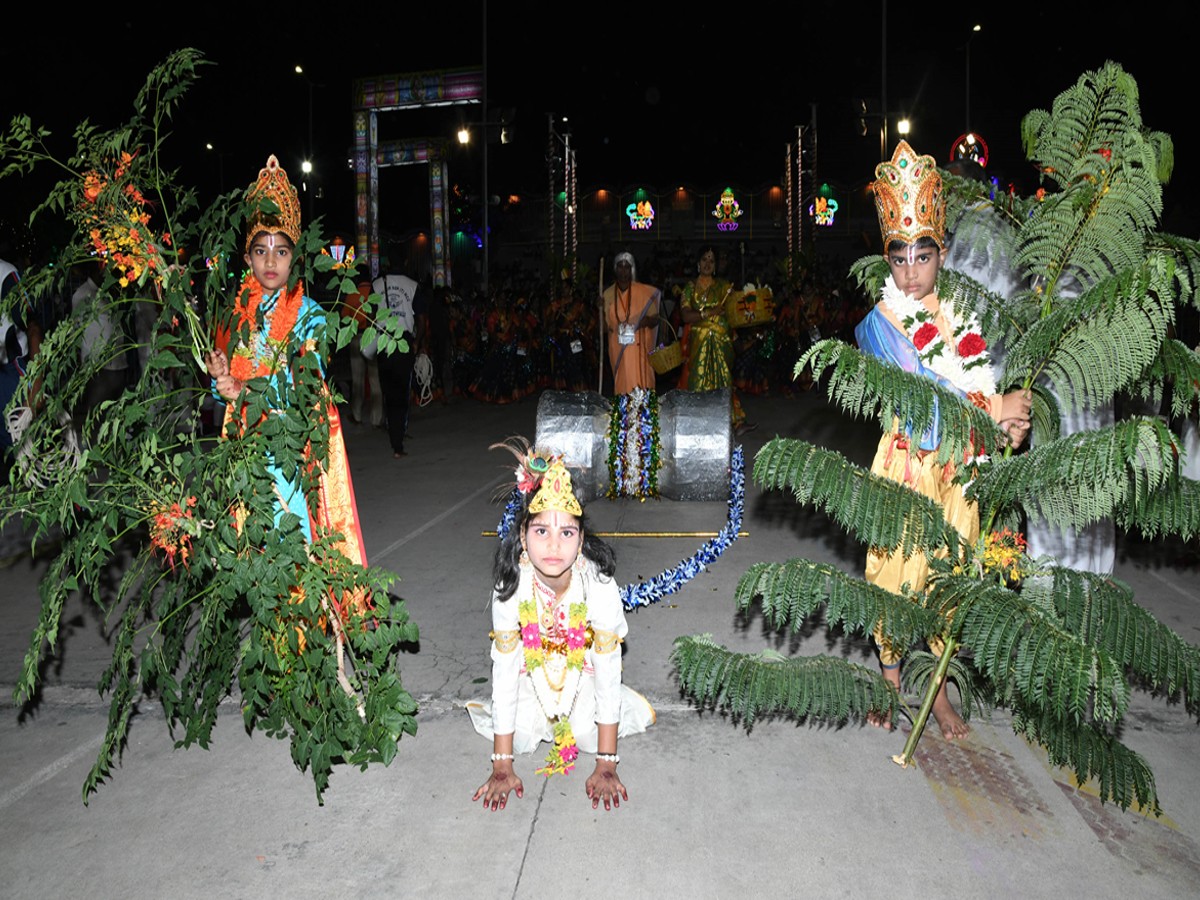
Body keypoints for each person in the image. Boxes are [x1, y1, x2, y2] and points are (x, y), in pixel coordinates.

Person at [855, 141, 1031, 740]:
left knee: (951, 575)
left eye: (921, 253)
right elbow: (924, 400)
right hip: (908, 462)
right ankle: (890, 685)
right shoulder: (879, 323)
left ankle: (939, 692)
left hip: (959, 471)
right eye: (898, 254)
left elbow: (969, 377)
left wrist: (1006, 422)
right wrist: (995, 407)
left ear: (942, 253)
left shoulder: (962, 314)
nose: (909, 267)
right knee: (895, 573)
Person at [203, 155, 369, 599]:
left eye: (281, 250)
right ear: (247, 257)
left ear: (295, 257)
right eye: (261, 250)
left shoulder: (311, 315)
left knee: (297, 558)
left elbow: (306, 385)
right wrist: (221, 383)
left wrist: (245, 390)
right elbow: (228, 399)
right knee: (260, 566)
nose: (270, 261)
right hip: (249, 455)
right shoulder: (239, 316)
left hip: (292, 452)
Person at [469, 441, 655, 811]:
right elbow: (505, 672)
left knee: (589, 737)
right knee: (516, 737)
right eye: (541, 532)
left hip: (582, 676)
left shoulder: (598, 585)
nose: (553, 545)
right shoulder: (510, 588)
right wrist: (502, 765)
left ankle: (603, 721)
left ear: (582, 539)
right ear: (522, 537)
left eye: (567, 533)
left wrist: (606, 763)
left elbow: (605, 668)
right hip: (530, 679)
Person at [680, 245, 754, 434]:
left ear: (715, 266)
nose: (707, 263)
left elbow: (733, 314)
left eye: (711, 260)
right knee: (698, 380)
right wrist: (708, 313)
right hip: (699, 343)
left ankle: (734, 423)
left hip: (722, 342)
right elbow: (686, 316)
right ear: (698, 263)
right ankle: (698, 424)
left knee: (724, 381)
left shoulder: (724, 287)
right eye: (704, 259)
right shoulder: (689, 288)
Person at [372, 261, 425, 457]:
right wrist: (417, 342)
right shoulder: (412, 285)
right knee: (402, 392)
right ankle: (398, 441)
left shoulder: (376, 284)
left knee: (388, 390)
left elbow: (370, 312)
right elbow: (421, 319)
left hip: (383, 341)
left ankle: (393, 430)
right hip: (403, 342)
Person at [601, 252, 660, 394]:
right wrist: (598, 309)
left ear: (632, 269)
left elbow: (656, 318)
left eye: (626, 267)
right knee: (622, 385)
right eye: (620, 267)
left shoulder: (642, 291)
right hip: (618, 349)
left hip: (639, 348)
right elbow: (605, 328)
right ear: (615, 269)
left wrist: (645, 321)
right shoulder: (607, 294)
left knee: (641, 384)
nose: (623, 271)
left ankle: (642, 413)